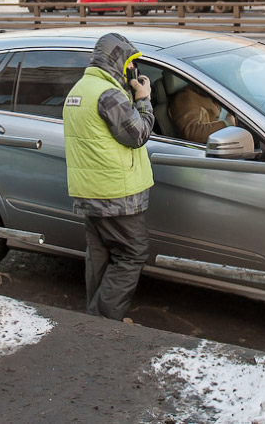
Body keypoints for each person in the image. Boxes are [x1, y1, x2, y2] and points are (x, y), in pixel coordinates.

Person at [63, 33, 154, 322]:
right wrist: (143, 100)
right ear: (117, 62)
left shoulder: (80, 89)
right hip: (117, 194)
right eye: (129, 64)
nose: (132, 70)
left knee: (99, 256)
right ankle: (102, 322)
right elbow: (138, 134)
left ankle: (94, 322)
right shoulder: (109, 95)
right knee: (132, 254)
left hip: (90, 191)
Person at [170, 83, 235, 143]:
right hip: (197, 150)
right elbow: (191, 133)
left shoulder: (206, 94)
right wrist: (228, 123)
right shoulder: (185, 97)